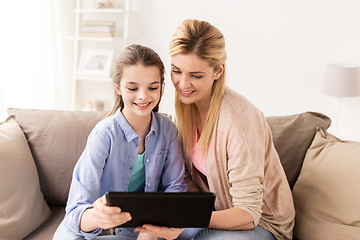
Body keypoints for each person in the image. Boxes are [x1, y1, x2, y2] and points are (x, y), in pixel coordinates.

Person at [137, 19, 295, 240]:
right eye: (176, 71)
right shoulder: (184, 108)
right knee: (147, 232)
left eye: (196, 75)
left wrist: (186, 218)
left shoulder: (240, 120)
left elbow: (249, 214)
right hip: (214, 215)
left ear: (218, 71)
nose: (183, 84)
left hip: (261, 226)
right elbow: (189, 178)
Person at [53, 44, 187, 240]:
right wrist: (99, 217)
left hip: (143, 227)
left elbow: (176, 188)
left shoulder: (167, 129)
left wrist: (154, 227)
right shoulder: (104, 134)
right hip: (100, 231)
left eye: (153, 87)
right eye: (133, 88)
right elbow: (75, 213)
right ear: (118, 88)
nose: (143, 96)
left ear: (162, 88)